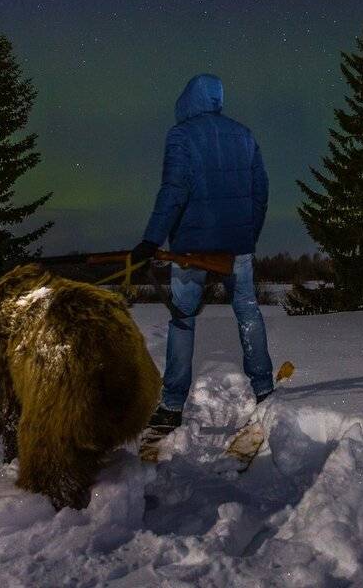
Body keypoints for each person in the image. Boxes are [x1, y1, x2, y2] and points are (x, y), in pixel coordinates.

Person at [135, 73, 274, 446]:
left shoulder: (181, 136)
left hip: (192, 248)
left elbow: (174, 191)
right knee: (248, 312)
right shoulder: (244, 135)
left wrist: (151, 239)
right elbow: (260, 191)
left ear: (187, 100)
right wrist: (248, 234)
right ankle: (264, 389)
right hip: (236, 246)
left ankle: (172, 404)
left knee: (182, 319)